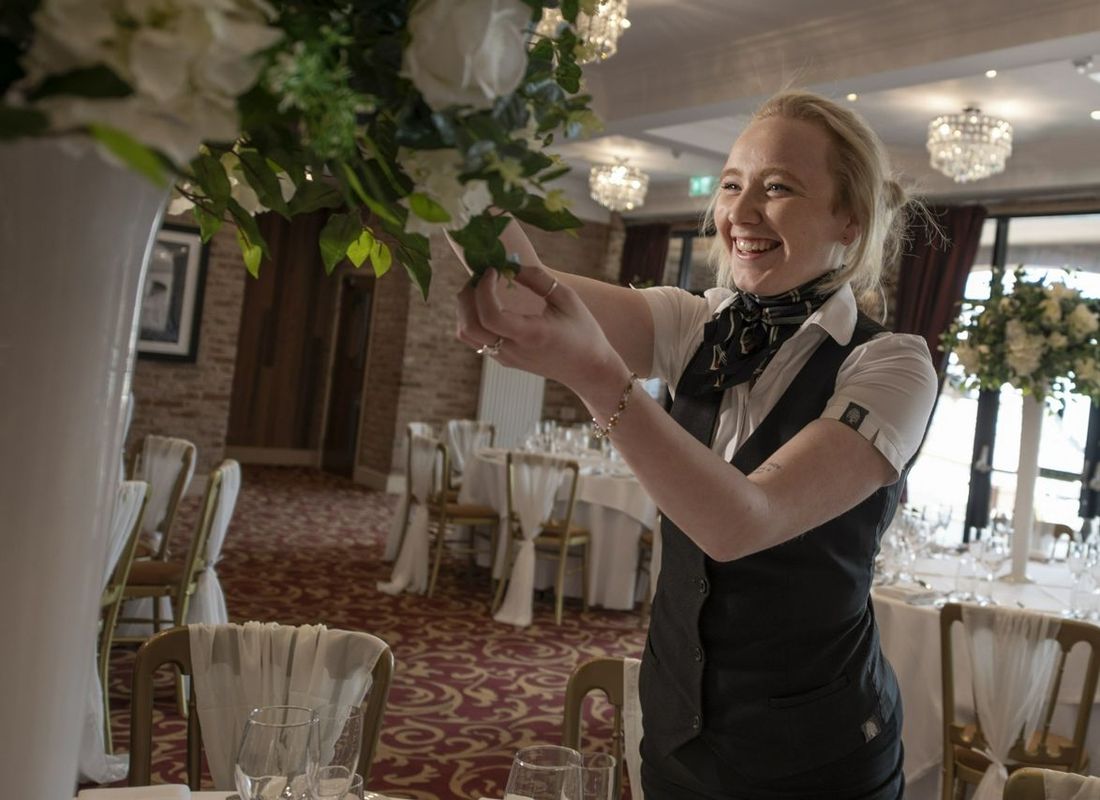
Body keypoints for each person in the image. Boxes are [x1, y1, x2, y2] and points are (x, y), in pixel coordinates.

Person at [455, 90, 937, 799]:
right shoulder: (695, 322)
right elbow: (528, 295)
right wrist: (440, 154)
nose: (740, 213)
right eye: (732, 185)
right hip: (677, 730)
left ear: (850, 219)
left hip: (819, 756)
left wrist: (598, 379)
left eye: (778, 189)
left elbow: (745, 522)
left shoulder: (892, 365)